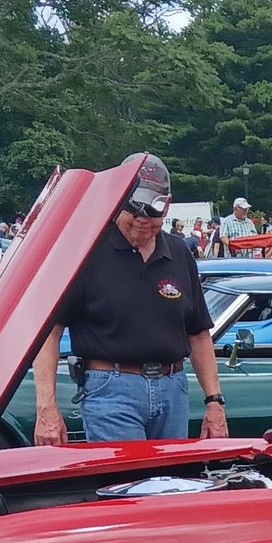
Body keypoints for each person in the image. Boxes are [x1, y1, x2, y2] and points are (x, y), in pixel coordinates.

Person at [31, 154, 227, 447]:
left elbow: (198, 333)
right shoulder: (87, 254)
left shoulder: (179, 253)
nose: (141, 224)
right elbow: (49, 333)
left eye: (151, 218)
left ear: (167, 206)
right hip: (111, 387)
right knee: (127, 484)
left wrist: (214, 401)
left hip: (173, 386)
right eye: (133, 215)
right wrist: (46, 407)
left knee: (172, 486)